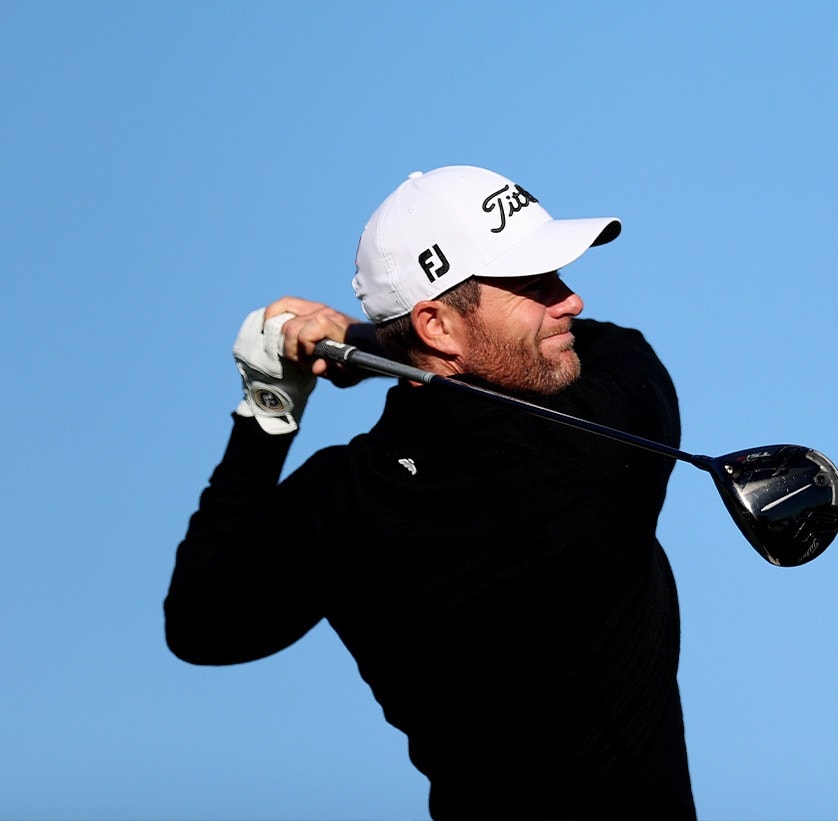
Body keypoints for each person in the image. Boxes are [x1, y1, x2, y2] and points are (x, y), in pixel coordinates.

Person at [164, 165, 696, 819]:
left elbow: (199, 624)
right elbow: (616, 347)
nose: (571, 301)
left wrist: (267, 411)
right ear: (437, 326)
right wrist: (357, 341)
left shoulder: (343, 500)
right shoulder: (607, 435)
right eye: (534, 285)